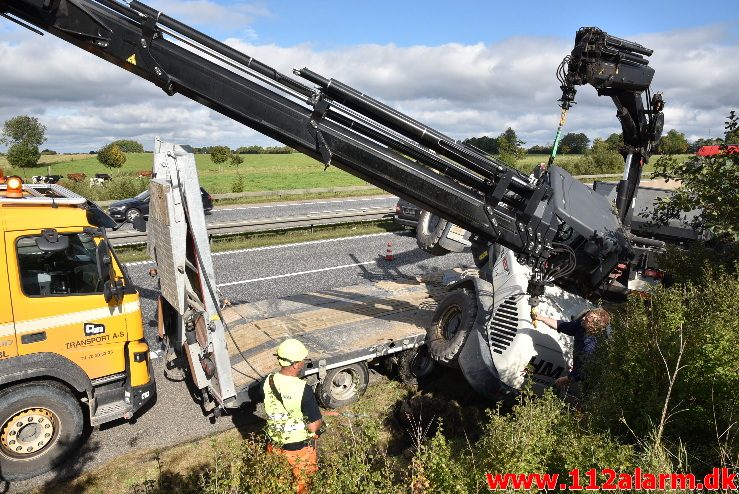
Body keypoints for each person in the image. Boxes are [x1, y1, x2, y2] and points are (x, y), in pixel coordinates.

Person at [263, 338, 323, 494]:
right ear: (296, 364)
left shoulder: (268, 381)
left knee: (279, 485)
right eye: (303, 360)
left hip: (273, 445)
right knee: (302, 486)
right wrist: (319, 420)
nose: (304, 363)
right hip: (298, 450)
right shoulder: (303, 389)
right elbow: (313, 426)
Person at [532, 308, 610, 390]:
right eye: (587, 316)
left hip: (593, 380)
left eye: (587, 320)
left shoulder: (591, 346)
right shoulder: (582, 326)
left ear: (593, 327)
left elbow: (584, 371)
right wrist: (541, 318)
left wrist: (567, 379)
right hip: (581, 369)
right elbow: (562, 326)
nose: (583, 319)